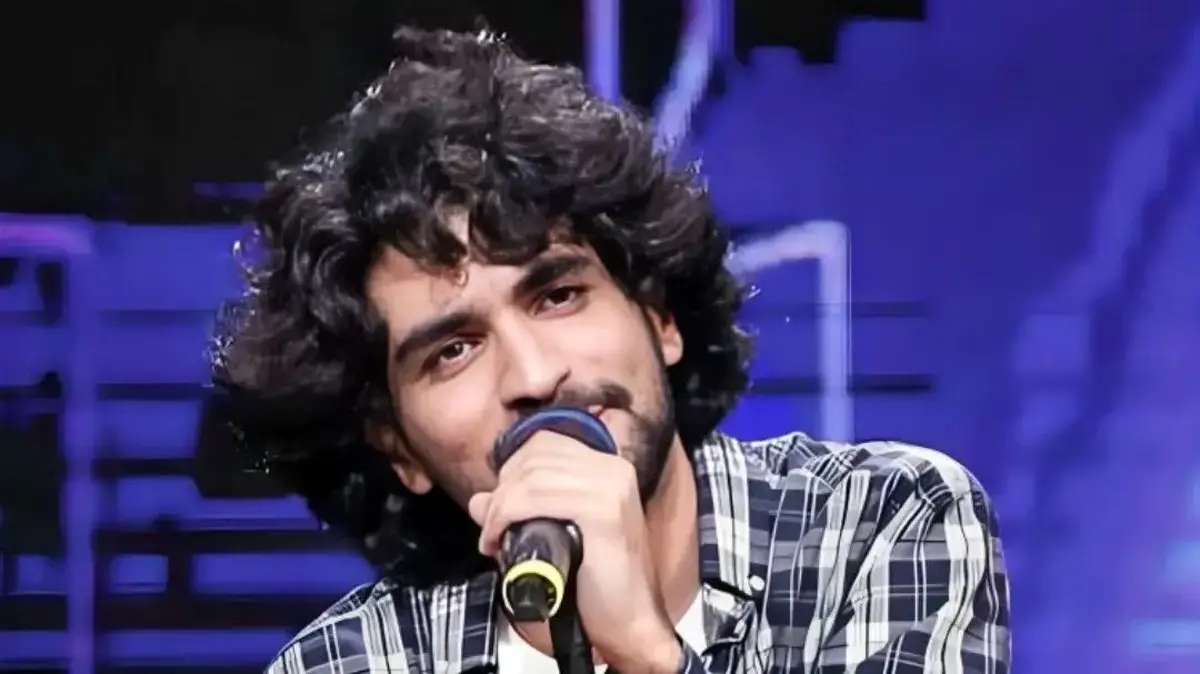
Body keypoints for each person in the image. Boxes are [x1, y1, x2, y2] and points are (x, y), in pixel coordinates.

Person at [210, 26, 1011, 674]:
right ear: (399, 448)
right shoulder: (351, 665)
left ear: (658, 316)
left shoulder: (876, 530)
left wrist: (644, 653)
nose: (534, 376)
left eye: (558, 296)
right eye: (453, 350)